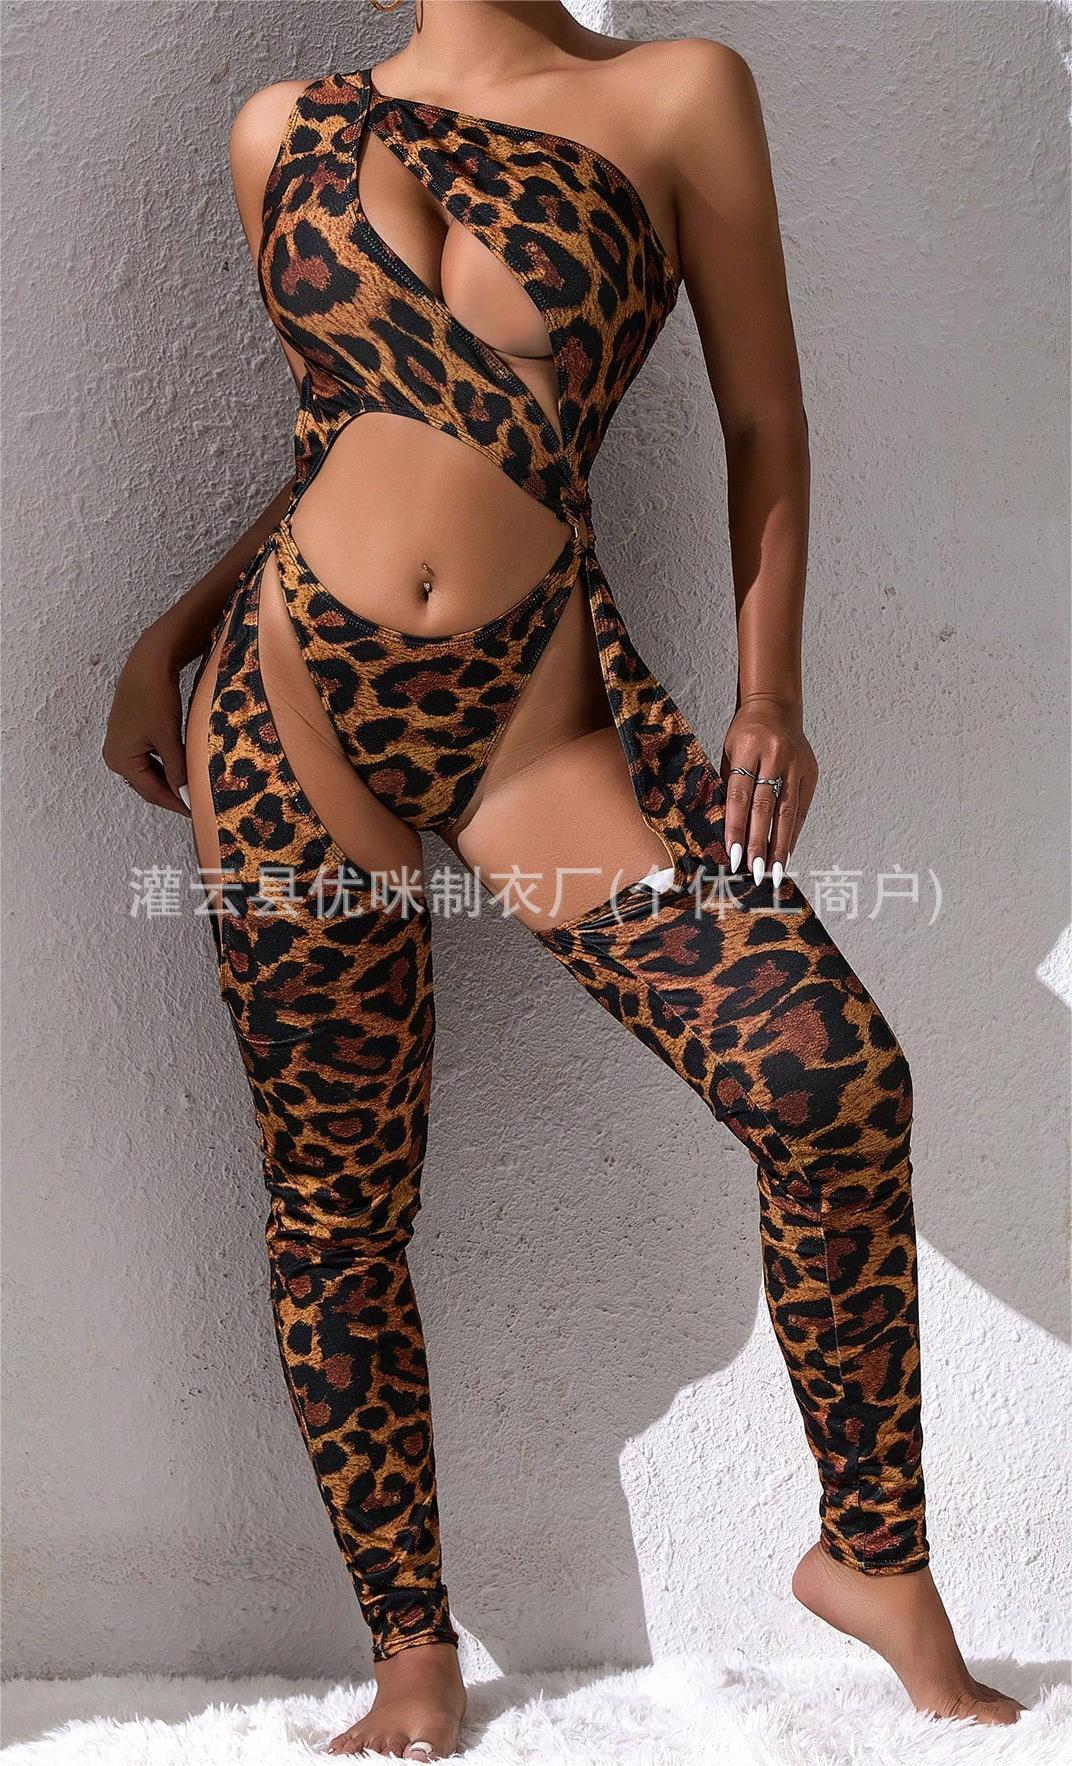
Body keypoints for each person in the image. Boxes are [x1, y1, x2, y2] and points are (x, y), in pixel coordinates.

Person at [103, 3, 1023, 1757]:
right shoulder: (278, 127)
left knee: (828, 1082)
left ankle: (873, 1555)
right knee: (336, 1201)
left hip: (536, 709)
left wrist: (770, 695)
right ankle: (412, 1651)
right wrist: (173, 629)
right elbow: (340, 437)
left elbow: (766, 416)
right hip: (287, 699)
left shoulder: (673, 92)